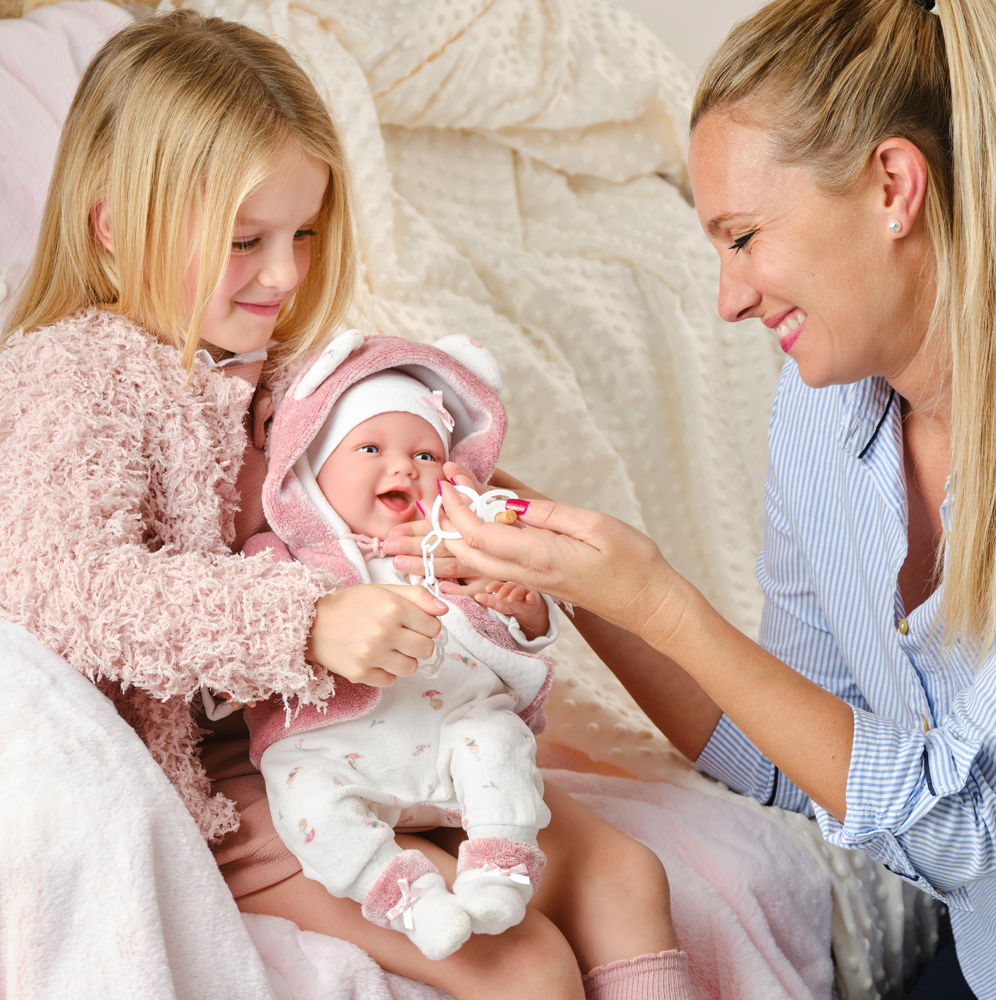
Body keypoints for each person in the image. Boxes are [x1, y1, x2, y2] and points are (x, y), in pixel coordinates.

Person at [0, 11, 691, 999]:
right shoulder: (74, 378)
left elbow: (370, 514)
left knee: (628, 874)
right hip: (240, 787)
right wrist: (309, 620)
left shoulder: (299, 381)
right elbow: (70, 590)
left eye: (306, 233)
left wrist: (458, 560)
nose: (284, 274)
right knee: (522, 962)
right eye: (246, 240)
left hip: (382, 716)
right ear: (115, 228)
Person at [384, 0, 996, 997]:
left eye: (744, 236)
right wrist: (563, 563)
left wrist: (662, 601)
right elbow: (783, 758)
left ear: (892, 185)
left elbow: (972, 829)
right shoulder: (815, 420)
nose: (727, 297)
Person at [239, 334, 557, 960]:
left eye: (425, 453)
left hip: (448, 742)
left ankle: (499, 865)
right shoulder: (281, 562)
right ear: (310, 467)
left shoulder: (456, 550)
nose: (405, 466)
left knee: (496, 741)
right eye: (370, 448)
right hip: (332, 749)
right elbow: (246, 633)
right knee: (303, 797)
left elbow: (512, 638)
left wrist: (520, 609)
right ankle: (405, 896)